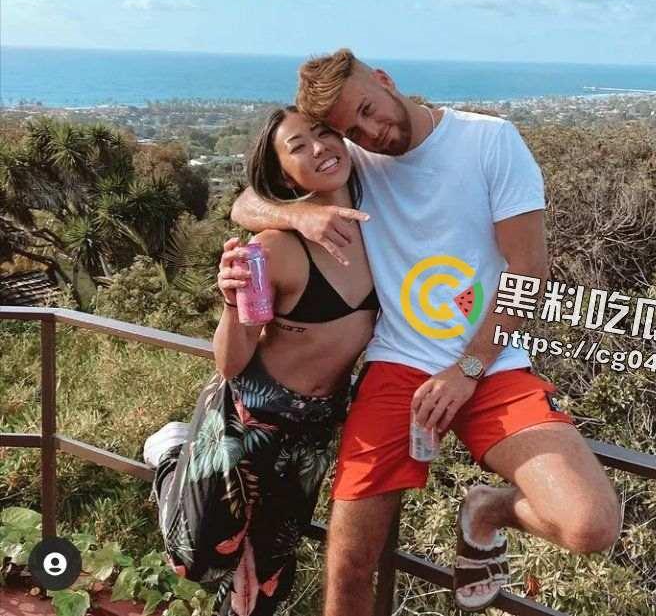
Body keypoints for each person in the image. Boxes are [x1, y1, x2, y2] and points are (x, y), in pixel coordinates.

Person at [231, 49, 622, 613]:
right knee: (348, 567)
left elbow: (530, 274)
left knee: (590, 524)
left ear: (385, 80)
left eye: (368, 110)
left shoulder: (489, 141)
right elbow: (248, 201)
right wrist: (299, 215)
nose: (370, 132)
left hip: (489, 361)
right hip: (398, 365)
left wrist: (467, 370)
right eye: (351, 129)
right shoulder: (355, 159)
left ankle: (487, 508)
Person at [143, 106, 379, 616]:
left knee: (265, 581)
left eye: (324, 133)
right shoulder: (274, 249)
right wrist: (232, 305)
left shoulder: (384, 232)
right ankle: (171, 456)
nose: (318, 147)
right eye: (298, 146)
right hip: (247, 416)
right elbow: (231, 364)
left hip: (313, 428)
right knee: (197, 558)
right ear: (285, 177)